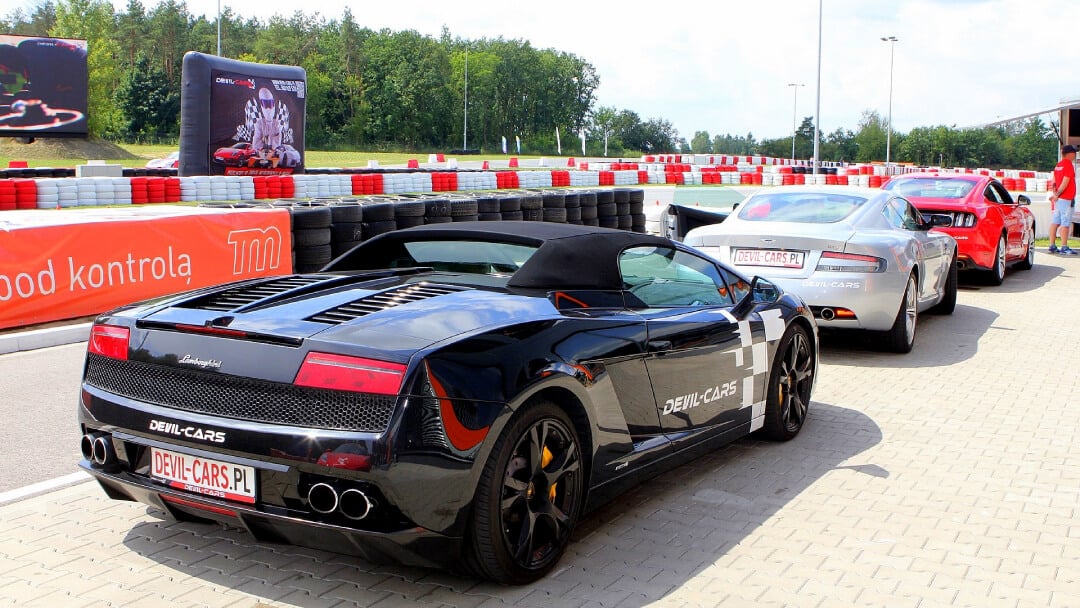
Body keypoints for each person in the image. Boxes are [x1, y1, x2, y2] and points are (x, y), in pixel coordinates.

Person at [1049, 144, 1078, 255]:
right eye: (1074, 153)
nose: (1075, 155)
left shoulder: (1058, 165)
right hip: (1066, 199)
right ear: (1069, 154)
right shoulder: (1068, 165)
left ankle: (1052, 245)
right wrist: (1058, 194)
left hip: (1059, 200)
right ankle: (1064, 247)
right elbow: (1066, 181)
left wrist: (1055, 194)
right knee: (1065, 223)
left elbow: (1054, 181)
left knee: (1055, 222)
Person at [250, 87, 283, 167]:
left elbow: (277, 142)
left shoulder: (276, 123)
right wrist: (265, 147)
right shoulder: (259, 123)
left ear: (273, 104)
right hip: (261, 154)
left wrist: (267, 142)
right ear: (261, 105)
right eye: (265, 104)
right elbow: (256, 143)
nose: (268, 108)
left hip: (273, 154)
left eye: (270, 104)